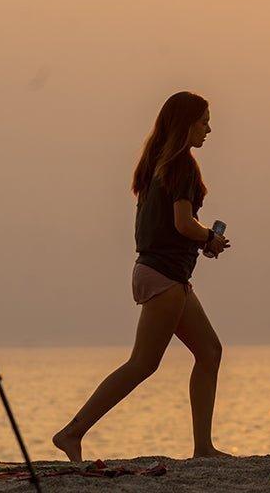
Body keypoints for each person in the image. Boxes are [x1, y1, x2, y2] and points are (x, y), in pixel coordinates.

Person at [53, 91, 232, 462]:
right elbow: (183, 223)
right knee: (143, 363)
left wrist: (200, 241)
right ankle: (71, 433)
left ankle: (203, 447)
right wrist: (210, 237)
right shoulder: (182, 166)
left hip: (166, 275)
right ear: (186, 124)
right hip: (163, 276)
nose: (209, 129)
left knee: (209, 351)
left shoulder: (156, 164)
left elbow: (168, 226)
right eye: (204, 121)